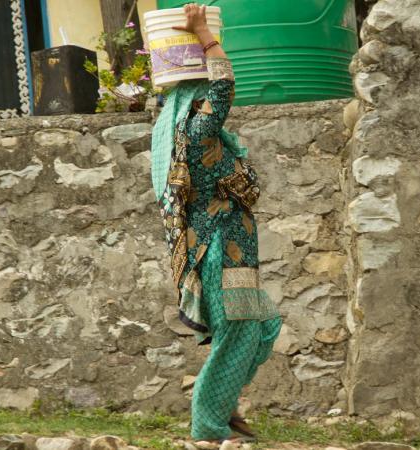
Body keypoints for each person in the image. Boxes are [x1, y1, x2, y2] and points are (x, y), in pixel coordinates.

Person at [150, 3, 282, 449]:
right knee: (236, 335)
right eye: (201, 96)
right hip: (222, 252)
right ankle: (209, 425)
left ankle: (224, 406)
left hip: (231, 250)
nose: (208, 99)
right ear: (195, 105)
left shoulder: (185, 134)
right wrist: (204, 33)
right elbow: (224, 85)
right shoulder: (200, 134)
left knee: (264, 326)